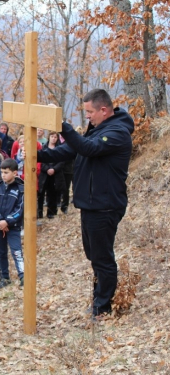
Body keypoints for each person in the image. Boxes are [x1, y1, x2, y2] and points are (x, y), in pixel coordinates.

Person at [36, 89, 133, 318]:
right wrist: (37, 156)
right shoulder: (96, 130)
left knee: (102, 258)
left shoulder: (117, 132)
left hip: (105, 205)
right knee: (95, 257)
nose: (87, 116)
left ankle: (102, 308)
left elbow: (89, 148)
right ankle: (100, 300)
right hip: (90, 205)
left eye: (89, 112)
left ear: (104, 109)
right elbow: (69, 150)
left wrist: (62, 125)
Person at [0, 159, 25, 290]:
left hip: (13, 227)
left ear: (15, 173)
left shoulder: (21, 188)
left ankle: (23, 276)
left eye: (6, 172)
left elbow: (20, 209)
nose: (3, 175)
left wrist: (7, 221)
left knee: (16, 251)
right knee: (1, 252)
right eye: (2, 172)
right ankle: (5, 277)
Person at [38, 131, 65, 219]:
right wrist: (47, 169)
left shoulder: (60, 148)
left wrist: (54, 169)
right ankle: (39, 212)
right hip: (44, 174)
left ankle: (51, 212)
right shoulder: (43, 147)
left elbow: (62, 161)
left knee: (52, 193)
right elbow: (40, 160)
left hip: (55, 174)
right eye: (52, 136)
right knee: (41, 194)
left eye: (55, 137)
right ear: (49, 137)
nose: (53, 138)